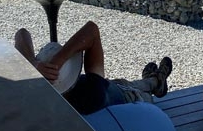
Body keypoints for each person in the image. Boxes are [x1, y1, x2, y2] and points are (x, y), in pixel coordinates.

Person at [14, 20, 173, 116]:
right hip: (130, 98)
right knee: (139, 89)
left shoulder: (41, 100)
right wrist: (60, 60)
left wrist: (32, 65)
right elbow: (91, 30)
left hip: (112, 86)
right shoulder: (91, 94)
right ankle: (155, 81)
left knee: (126, 83)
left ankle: (153, 80)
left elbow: (21, 34)